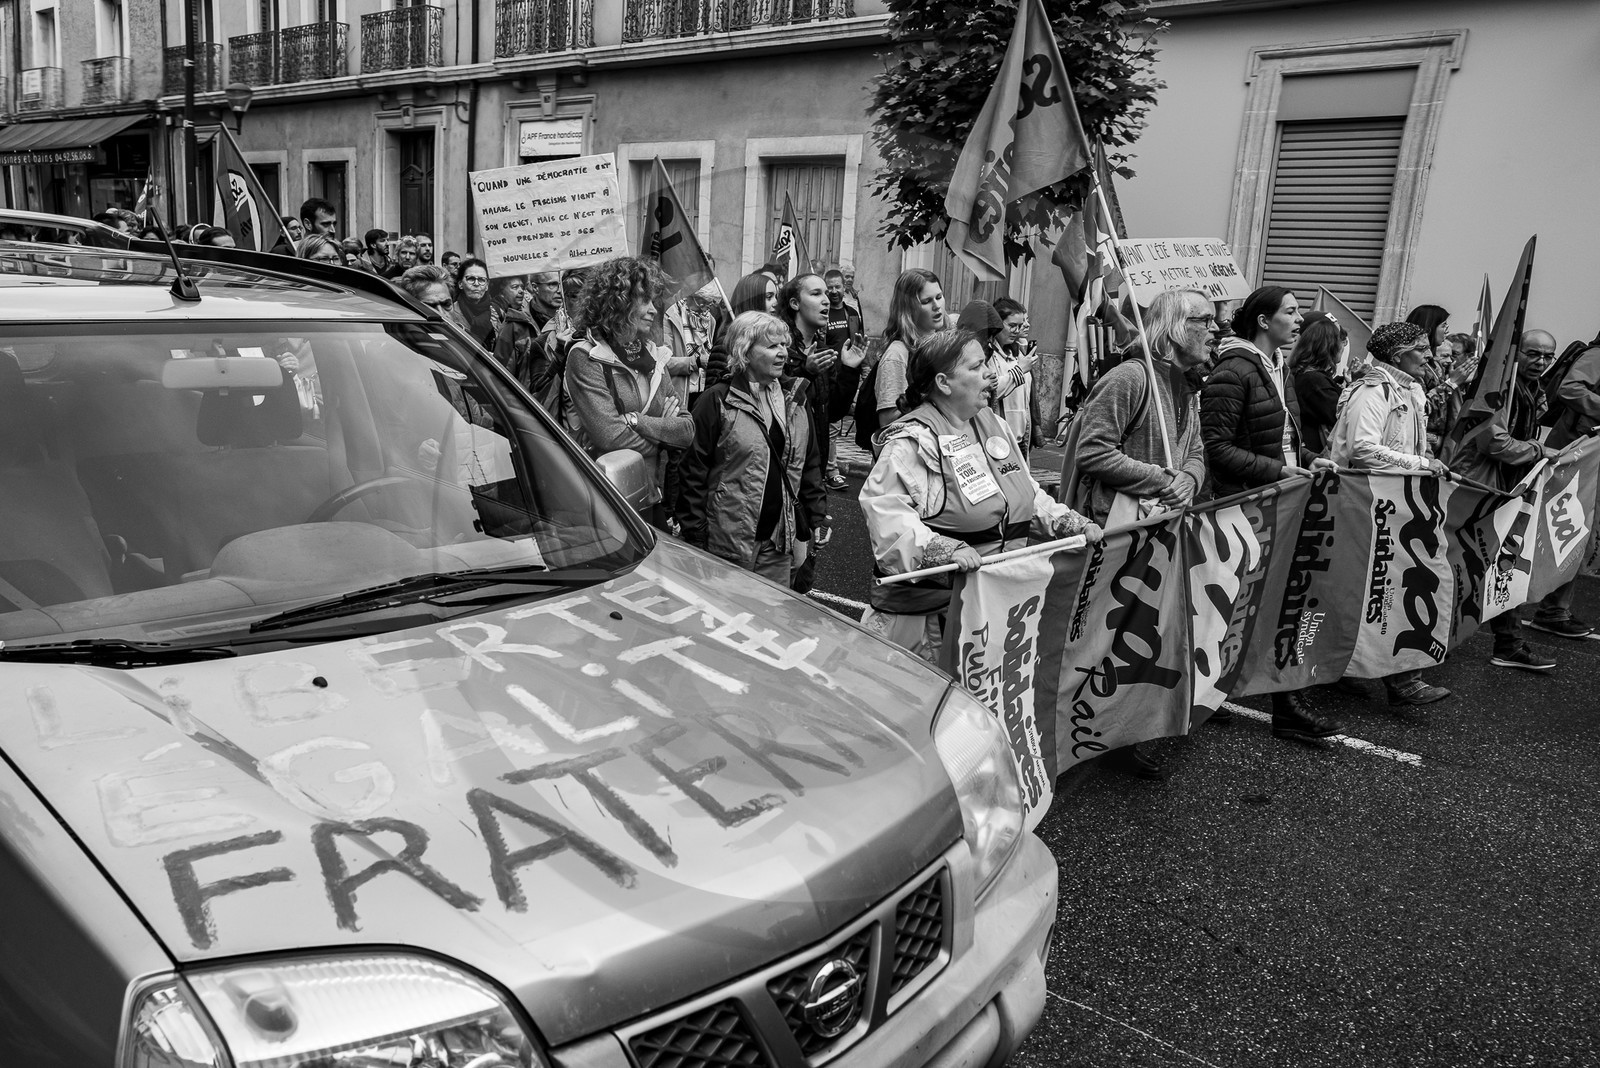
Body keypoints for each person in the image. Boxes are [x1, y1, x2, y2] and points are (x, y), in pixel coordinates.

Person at [860, 329, 1101, 662]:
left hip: (990, 611)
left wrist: (1067, 523)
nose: (990, 373)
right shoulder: (912, 442)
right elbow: (888, 518)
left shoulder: (993, 426)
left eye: (987, 363)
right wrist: (945, 550)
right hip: (926, 627)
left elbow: (1024, 493)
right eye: (976, 367)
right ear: (944, 382)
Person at [1070, 289, 1213, 777]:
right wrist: (1163, 478)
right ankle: (1076, 730)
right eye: (1205, 320)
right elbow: (1093, 451)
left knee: (1137, 633)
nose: (1215, 330)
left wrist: (1188, 479)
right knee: (1097, 636)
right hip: (1113, 533)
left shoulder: (1186, 388)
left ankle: (1120, 732)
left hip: (1154, 531)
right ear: (1175, 327)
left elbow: (1194, 451)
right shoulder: (1131, 377)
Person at [1203, 285, 1344, 741]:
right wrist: (1280, 470)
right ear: (1264, 321)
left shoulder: (1278, 366)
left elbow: (1283, 435)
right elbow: (1218, 449)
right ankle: (1209, 692)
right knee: (1237, 602)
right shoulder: (1234, 369)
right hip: (1245, 503)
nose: (1300, 319)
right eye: (1291, 311)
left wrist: (1305, 462)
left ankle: (1284, 703)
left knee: (1282, 598)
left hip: (1281, 497)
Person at [1327, 321, 1453, 706]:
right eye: (1420, 347)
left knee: (1382, 589)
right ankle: (1395, 678)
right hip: (1364, 504)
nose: (1429, 354)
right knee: (1380, 589)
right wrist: (1419, 463)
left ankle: (1362, 669)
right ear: (1398, 354)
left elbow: (1406, 444)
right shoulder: (1374, 390)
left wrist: (1427, 461)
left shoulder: (1409, 389)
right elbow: (1363, 450)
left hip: (1395, 503)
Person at [677, 311, 825, 584]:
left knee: (771, 620)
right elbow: (692, 470)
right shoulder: (717, 400)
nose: (782, 353)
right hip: (729, 542)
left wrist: (817, 515)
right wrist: (695, 531)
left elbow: (810, 464)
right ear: (744, 352)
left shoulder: (796, 398)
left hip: (778, 541)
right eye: (771, 346)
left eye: (783, 345)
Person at [1446, 330, 1560, 671]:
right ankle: (1437, 640)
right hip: (1479, 488)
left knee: (1505, 563)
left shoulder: (1531, 389)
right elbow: (1493, 443)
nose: (1539, 362)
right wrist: (1539, 450)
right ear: (1517, 352)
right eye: (1532, 354)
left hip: (1509, 488)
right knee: (1466, 563)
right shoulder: (1497, 387)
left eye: (1546, 357)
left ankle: (1508, 644)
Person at [564, 257, 695, 529]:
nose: (653, 310)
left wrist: (635, 421)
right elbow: (610, 436)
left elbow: (685, 429)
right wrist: (663, 438)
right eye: (643, 300)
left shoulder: (652, 353)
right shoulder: (586, 357)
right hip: (608, 499)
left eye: (653, 301)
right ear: (617, 303)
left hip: (651, 495)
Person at [1528, 328, 1600, 639]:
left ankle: (1552, 608)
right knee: (1571, 530)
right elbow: (1570, 389)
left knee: (1577, 532)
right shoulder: (1597, 355)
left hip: (1586, 458)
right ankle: (1550, 610)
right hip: (1579, 458)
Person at [783, 272, 864, 498]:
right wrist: (804, 371)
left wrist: (849, 369)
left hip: (813, 471)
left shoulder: (822, 350)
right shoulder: (779, 348)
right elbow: (776, 405)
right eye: (816, 293)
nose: (827, 300)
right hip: (784, 468)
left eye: (826, 294)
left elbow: (833, 411)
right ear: (795, 303)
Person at [874, 268, 946, 428]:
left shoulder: (944, 344)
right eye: (926, 301)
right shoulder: (897, 354)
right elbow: (887, 421)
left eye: (939, 297)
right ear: (908, 308)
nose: (937, 306)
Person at [821, 269, 864, 488]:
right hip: (826, 378)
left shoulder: (853, 314)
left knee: (833, 425)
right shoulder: (821, 314)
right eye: (830, 287)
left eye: (838, 287)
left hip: (847, 378)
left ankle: (826, 469)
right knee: (830, 427)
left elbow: (860, 343)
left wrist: (862, 375)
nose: (834, 291)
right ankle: (830, 470)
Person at [1290, 310, 1347, 456]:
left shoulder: (1309, 376)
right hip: (1314, 460)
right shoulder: (1314, 381)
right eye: (1340, 339)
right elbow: (1344, 417)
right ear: (1329, 346)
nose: (1344, 344)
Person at [708, 271, 780, 386]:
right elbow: (713, 392)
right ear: (753, 301)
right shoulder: (728, 342)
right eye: (769, 297)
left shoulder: (773, 338)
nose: (776, 303)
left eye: (776, 296)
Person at [991, 298, 1043, 454]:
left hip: (1020, 437)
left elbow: (1028, 397)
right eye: (1012, 326)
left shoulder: (1018, 352)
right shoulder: (988, 355)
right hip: (999, 438)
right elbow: (991, 391)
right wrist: (1019, 371)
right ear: (997, 323)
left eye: (1019, 326)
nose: (1017, 330)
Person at [452, 258, 497, 349]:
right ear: (460, 284)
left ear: (487, 285)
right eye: (471, 279)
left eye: (481, 280)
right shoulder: (451, 313)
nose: (476, 284)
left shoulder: (497, 312)